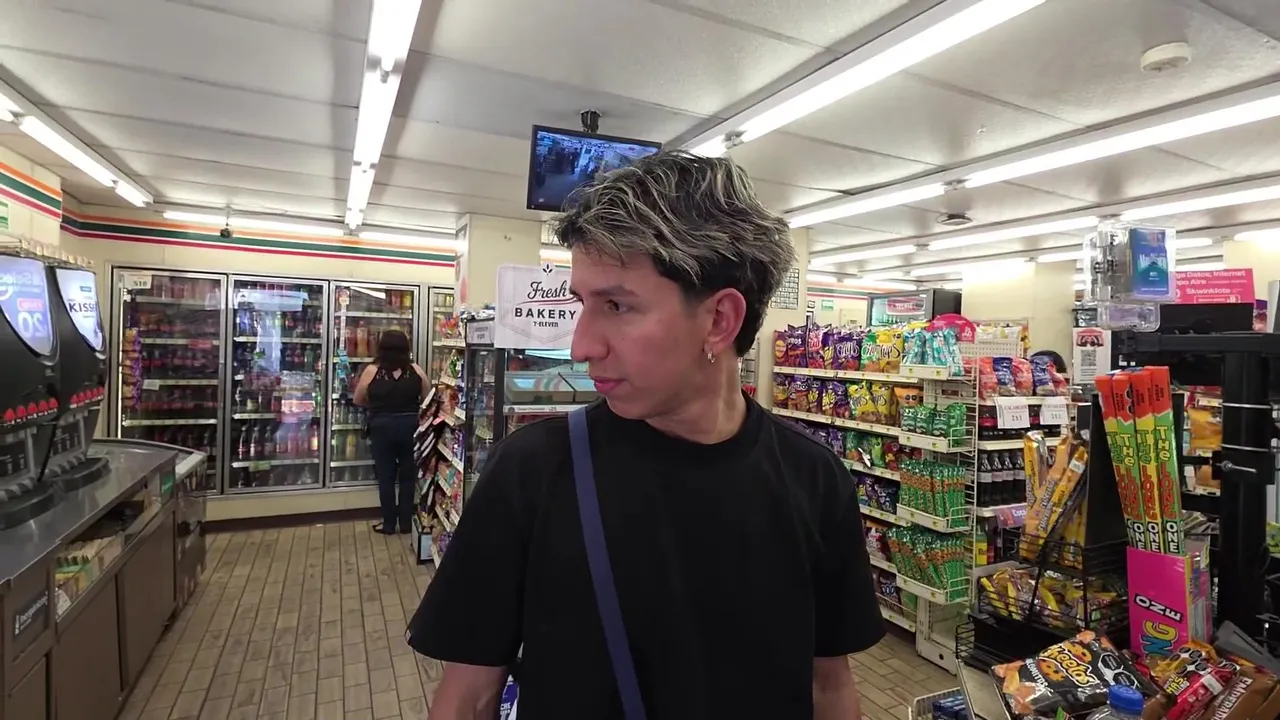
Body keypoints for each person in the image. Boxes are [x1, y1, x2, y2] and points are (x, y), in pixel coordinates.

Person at [409, 151, 884, 718]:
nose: (581, 345)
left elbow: (828, 685)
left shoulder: (815, 478)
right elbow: (468, 697)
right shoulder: (532, 472)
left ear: (720, 320)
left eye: (617, 304)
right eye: (582, 304)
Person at [353, 329, 429, 535]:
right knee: (408, 477)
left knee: (385, 477)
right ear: (406, 347)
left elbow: (358, 399)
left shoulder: (372, 371)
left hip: (381, 428)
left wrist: (377, 405)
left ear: (381, 347)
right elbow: (427, 398)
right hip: (410, 428)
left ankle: (388, 525)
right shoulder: (415, 370)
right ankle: (405, 523)